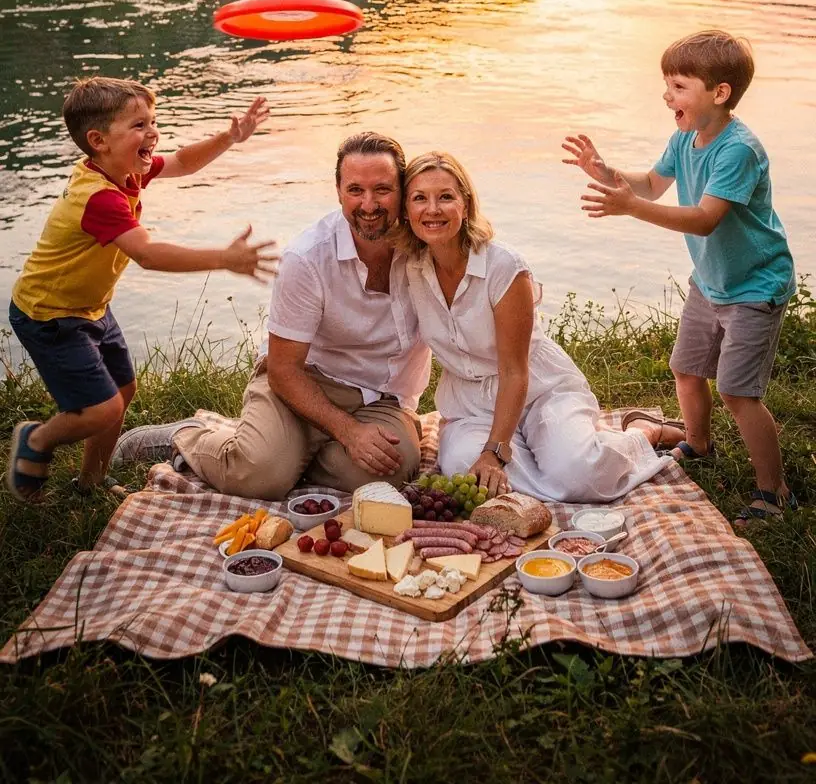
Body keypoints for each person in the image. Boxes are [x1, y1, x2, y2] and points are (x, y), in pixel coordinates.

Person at [113, 132, 431, 500]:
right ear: (338, 190)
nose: (369, 204)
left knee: (388, 475)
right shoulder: (308, 258)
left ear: (403, 189)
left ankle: (280, 454)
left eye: (383, 190)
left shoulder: (427, 247)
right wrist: (347, 432)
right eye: (355, 190)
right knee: (259, 477)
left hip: (382, 398)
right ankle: (189, 437)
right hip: (304, 380)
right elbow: (283, 369)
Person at [564, 28, 798, 523]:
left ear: (719, 93)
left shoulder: (738, 150)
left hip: (754, 286)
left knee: (737, 391)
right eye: (666, 84)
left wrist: (630, 210)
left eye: (677, 86)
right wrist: (606, 172)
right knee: (687, 370)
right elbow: (650, 185)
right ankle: (697, 445)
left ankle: (774, 492)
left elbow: (705, 217)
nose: (666, 95)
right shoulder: (685, 137)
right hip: (710, 281)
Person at [6, 77, 276, 503]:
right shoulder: (98, 198)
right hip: (50, 315)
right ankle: (37, 439)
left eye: (153, 121)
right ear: (98, 140)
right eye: (138, 125)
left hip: (89, 307)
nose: (152, 133)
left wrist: (230, 136)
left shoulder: (124, 170)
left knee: (123, 391)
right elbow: (147, 254)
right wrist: (223, 259)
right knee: (103, 408)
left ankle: (89, 484)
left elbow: (184, 161)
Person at [399, 151, 673, 502]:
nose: (432, 209)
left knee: (579, 474)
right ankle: (547, 463)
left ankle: (640, 433)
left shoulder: (504, 267)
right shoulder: (409, 269)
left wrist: (495, 450)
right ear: (406, 210)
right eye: (420, 198)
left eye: (446, 197)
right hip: (470, 403)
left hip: (539, 391)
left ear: (465, 205)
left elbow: (515, 371)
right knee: (464, 468)